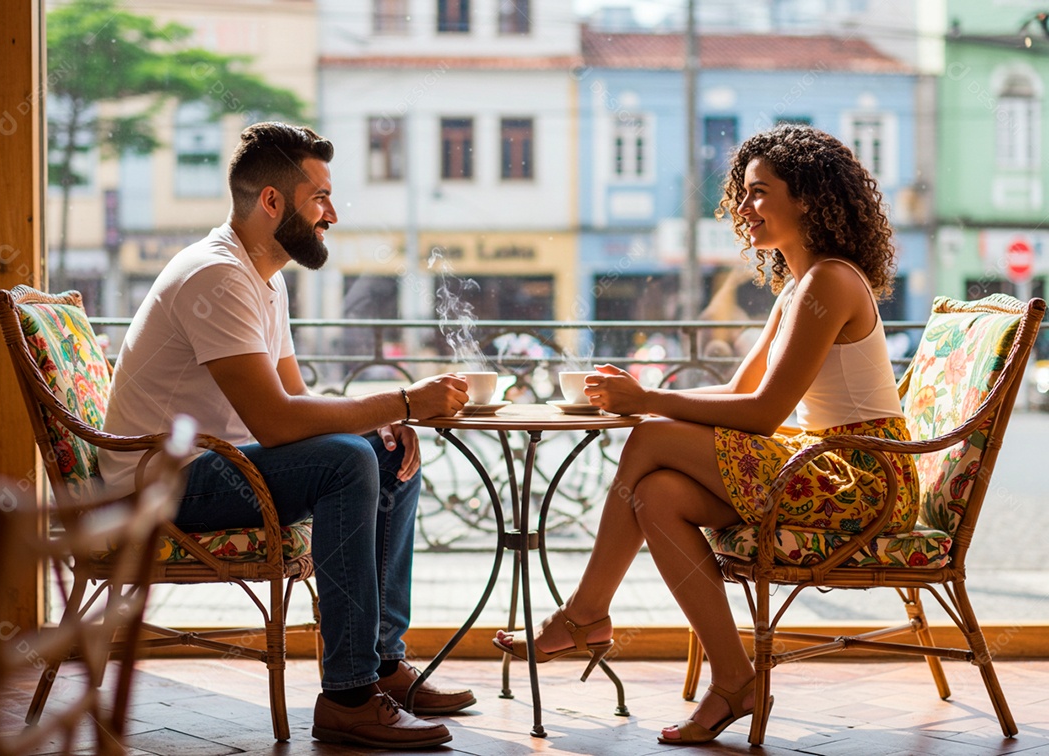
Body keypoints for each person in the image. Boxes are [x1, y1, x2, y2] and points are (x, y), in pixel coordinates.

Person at [493, 123, 920, 745]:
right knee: (657, 493)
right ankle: (734, 678)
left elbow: (765, 412)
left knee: (650, 440)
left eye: (759, 192)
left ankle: (584, 613)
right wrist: (639, 398)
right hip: (820, 465)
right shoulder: (798, 288)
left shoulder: (829, 281)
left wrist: (648, 405)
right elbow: (737, 392)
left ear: (807, 198)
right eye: (742, 194)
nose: (743, 208)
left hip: (864, 480)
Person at [100, 122, 476, 749]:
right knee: (349, 460)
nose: (332, 214)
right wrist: (405, 400)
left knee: (383, 451)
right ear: (272, 201)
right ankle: (349, 697)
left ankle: (383, 664)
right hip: (158, 482)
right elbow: (277, 423)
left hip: (216, 466)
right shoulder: (217, 276)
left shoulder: (265, 278)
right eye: (320, 197)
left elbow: (295, 399)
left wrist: (385, 418)